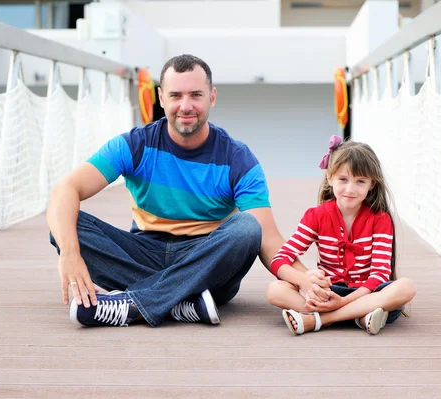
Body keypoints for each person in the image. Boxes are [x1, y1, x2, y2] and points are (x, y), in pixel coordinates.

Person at [47, 54, 297, 328]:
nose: (185, 106)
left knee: (247, 228)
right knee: (66, 222)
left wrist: (306, 281)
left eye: (196, 95)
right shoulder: (135, 144)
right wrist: (69, 254)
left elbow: (269, 238)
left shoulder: (237, 158)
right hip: (145, 252)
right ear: (161, 98)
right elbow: (65, 190)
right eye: (176, 95)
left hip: (207, 260)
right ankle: (182, 303)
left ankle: (133, 304)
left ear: (212, 97)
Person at [265, 136, 416, 335]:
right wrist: (306, 282)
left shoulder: (380, 219)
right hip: (329, 291)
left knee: (406, 287)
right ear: (330, 178)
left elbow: (379, 273)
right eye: (343, 179)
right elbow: (280, 259)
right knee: (274, 290)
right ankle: (361, 317)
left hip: (366, 293)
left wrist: (345, 301)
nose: (350, 189)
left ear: (371, 184)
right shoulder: (316, 216)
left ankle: (322, 319)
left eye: (360, 181)